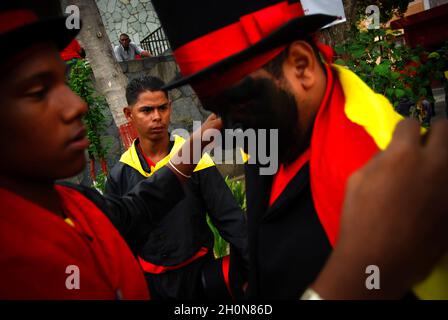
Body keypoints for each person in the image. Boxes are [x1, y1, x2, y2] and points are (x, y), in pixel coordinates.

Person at [151, 0, 448, 299]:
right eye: (217, 110)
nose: (228, 125)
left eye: (239, 101)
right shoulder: (270, 132)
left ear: (302, 66)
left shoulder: (390, 180)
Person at [0, 1, 221, 299]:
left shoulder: (77, 203)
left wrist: (197, 144)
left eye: (63, 84)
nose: (77, 106)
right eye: (38, 92)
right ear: (130, 115)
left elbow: (140, 207)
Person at [105, 75, 249, 300]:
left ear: (170, 108)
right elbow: (118, 242)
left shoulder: (194, 159)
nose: (157, 117)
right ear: (128, 113)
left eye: (162, 108)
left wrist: (253, 267)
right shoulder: (120, 174)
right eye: (146, 110)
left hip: (200, 275)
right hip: (151, 284)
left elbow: (228, 216)